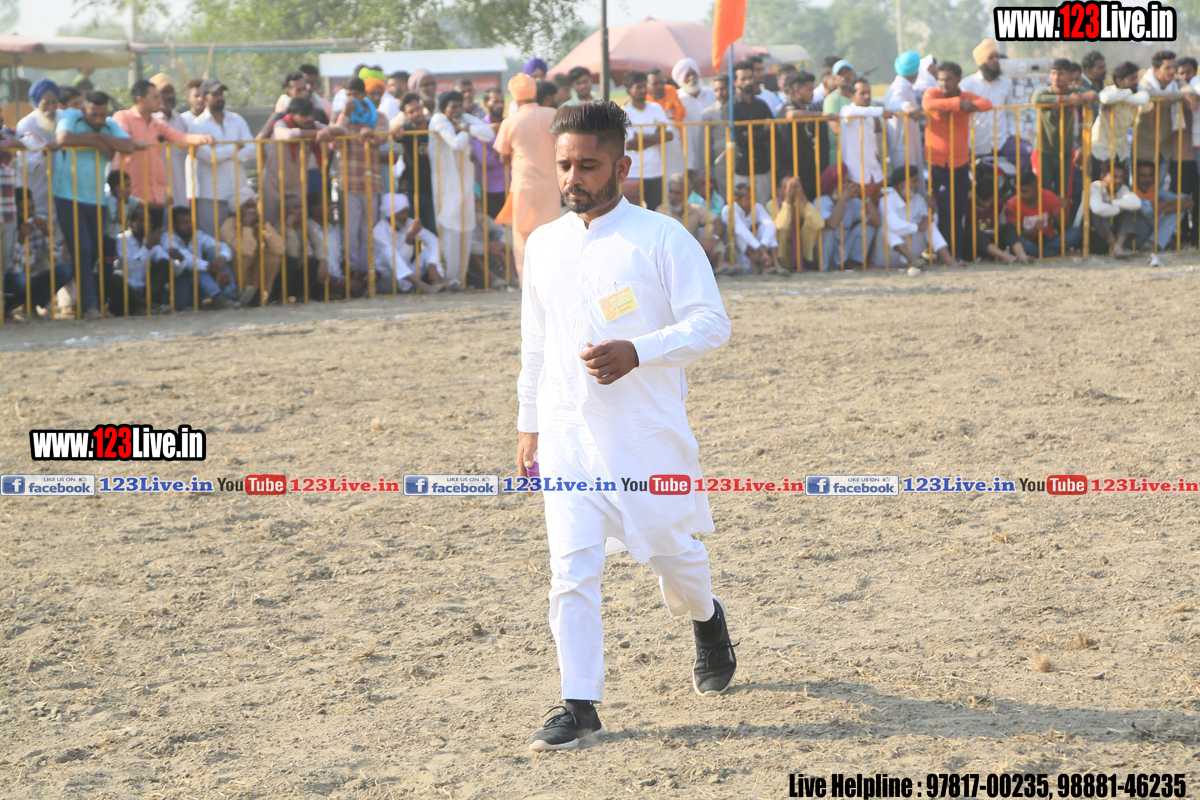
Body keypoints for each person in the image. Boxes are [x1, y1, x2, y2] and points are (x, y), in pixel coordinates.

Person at [518, 101, 735, 751]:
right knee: (570, 569)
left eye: (588, 164)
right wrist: (529, 423)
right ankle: (579, 704)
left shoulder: (662, 237)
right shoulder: (543, 244)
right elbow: (535, 343)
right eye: (564, 165)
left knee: (672, 553)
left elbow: (711, 324)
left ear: (622, 167)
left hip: (644, 434)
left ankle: (707, 618)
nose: (573, 178)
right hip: (566, 435)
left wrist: (640, 350)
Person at [53, 91, 140, 319]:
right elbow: (63, 138)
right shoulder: (71, 116)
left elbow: (128, 146)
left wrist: (99, 137)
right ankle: (90, 306)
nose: (99, 120)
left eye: (102, 115)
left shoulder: (109, 124)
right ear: (83, 109)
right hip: (68, 197)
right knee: (82, 250)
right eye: (94, 115)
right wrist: (97, 141)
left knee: (93, 253)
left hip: (97, 199)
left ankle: (87, 302)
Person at [923, 61, 992, 261]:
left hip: (960, 163)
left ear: (958, 79)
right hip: (938, 165)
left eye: (949, 79)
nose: (944, 84)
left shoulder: (966, 95)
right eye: (941, 79)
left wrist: (964, 104)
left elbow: (987, 104)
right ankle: (946, 256)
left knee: (959, 209)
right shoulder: (933, 93)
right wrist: (958, 105)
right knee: (944, 210)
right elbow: (928, 105)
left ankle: (957, 254)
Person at [495, 73, 559, 283]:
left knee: (523, 236)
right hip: (550, 185)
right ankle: (551, 281)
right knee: (551, 233)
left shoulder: (510, 122)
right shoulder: (553, 114)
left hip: (524, 184)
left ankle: (527, 284)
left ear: (514, 97)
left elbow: (503, 156)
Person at [429, 89, 495, 289]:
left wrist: (465, 127)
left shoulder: (464, 118)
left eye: (460, 106)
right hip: (445, 183)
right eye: (453, 107)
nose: (458, 110)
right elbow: (456, 143)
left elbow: (488, 134)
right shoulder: (438, 120)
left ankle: (460, 278)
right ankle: (451, 278)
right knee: (450, 228)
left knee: (466, 227)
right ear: (444, 108)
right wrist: (467, 131)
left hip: (464, 182)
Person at [113, 79, 215, 207]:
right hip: (130, 195)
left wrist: (201, 139)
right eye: (155, 97)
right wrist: (133, 144)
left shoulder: (158, 124)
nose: (160, 101)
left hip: (156, 195)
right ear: (141, 99)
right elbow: (121, 141)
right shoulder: (123, 117)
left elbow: (180, 138)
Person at [263, 96, 346, 239]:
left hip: (297, 186)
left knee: (299, 228)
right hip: (274, 185)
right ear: (292, 115)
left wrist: (326, 130)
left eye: (310, 115)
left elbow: (343, 130)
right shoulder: (281, 123)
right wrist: (317, 134)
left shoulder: (312, 125)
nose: (309, 118)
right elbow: (287, 135)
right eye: (304, 115)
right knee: (273, 229)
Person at [334, 77, 390, 279]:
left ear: (363, 95)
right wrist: (345, 115)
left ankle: (368, 272)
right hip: (348, 182)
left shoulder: (378, 116)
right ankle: (351, 272)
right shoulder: (340, 116)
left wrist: (371, 133)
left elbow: (382, 137)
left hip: (370, 182)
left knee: (368, 231)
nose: (351, 99)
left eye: (355, 95)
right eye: (348, 95)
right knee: (350, 231)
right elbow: (334, 143)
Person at [188, 79, 256, 241]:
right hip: (212, 196)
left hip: (239, 195)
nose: (220, 98)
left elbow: (252, 150)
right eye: (215, 94)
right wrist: (235, 148)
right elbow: (208, 157)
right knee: (213, 241)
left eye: (221, 94)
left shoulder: (237, 120)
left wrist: (225, 153)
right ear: (203, 98)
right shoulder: (197, 125)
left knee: (241, 241)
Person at [3, 190, 74, 320]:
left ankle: (31, 305)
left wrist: (47, 234)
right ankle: (5, 309)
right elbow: (12, 270)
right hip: (10, 283)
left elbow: (57, 260)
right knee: (21, 280)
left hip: (28, 281)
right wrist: (21, 240)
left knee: (66, 270)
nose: (31, 213)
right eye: (24, 210)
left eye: (32, 208)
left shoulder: (39, 225)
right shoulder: (7, 229)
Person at [871, 165, 960, 268]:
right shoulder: (886, 201)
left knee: (929, 224)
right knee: (886, 227)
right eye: (914, 181)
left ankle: (948, 260)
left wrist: (931, 210)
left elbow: (928, 221)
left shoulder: (919, 200)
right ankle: (912, 259)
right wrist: (918, 227)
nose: (918, 185)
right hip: (887, 258)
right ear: (901, 185)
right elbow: (895, 226)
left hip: (913, 254)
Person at [1031, 58, 1097, 196]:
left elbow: (1094, 94)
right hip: (1043, 152)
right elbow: (1036, 98)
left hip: (1065, 153)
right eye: (1053, 73)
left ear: (1069, 75)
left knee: (1063, 196)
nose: (1056, 77)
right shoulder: (1046, 92)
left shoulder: (1074, 90)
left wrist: (1080, 97)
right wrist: (1066, 100)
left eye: (1060, 73)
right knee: (1043, 195)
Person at [162, 205, 244, 310]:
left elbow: (224, 247)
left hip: (200, 288)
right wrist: (216, 269)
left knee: (216, 253)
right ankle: (217, 297)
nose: (189, 225)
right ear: (174, 224)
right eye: (184, 222)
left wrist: (221, 259)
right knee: (195, 266)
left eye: (191, 221)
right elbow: (188, 260)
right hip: (181, 291)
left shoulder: (197, 235)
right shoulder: (167, 239)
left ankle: (230, 292)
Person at [960, 40, 1022, 172]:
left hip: (1002, 141)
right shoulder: (967, 84)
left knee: (1029, 156)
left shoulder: (1006, 83)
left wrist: (1014, 134)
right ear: (982, 61)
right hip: (976, 144)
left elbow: (1010, 113)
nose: (995, 60)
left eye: (996, 56)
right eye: (990, 57)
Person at [619, 71, 671, 210]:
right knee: (630, 212)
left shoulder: (656, 108)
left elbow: (669, 135)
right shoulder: (624, 112)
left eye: (644, 86)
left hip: (655, 170)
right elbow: (629, 144)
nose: (642, 90)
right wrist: (657, 137)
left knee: (655, 211)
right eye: (638, 87)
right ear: (629, 91)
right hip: (633, 171)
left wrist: (641, 137)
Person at [374, 191, 444, 293]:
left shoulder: (408, 223)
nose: (405, 215)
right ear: (390, 215)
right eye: (401, 213)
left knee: (430, 250)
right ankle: (422, 286)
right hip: (388, 280)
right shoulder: (378, 231)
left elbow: (433, 240)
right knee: (389, 250)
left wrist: (432, 265)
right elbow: (398, 260)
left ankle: (437, 283)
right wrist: (409, 238)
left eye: (406, 211)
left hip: (409, 277)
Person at [220, 196, 286, 304]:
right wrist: (247, 226)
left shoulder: (259, 223)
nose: (252, 209)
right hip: (237, 272)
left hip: (256, 271)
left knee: (274, 256)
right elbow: (246, 250)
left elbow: (280, 249)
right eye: (247, 206)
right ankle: (242, 293)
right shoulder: (227, 226)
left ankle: (262, 294)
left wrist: (265, 225)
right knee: (242, 257)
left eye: (254, 206)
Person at [657, 172, 728, 273]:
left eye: (677, 193)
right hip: (672, 253)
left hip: (694, 250)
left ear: (687, 195)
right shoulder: (661, 211)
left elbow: (718, 222)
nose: (672, 197)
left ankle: (720, 263)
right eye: (671, 192)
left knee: (711, 227)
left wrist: (711, 241)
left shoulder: (695, 209)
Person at [108, 202, 170, 316]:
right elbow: (129, 266)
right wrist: (147, 247)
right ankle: (146, 305)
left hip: (145, 291)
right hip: (126, 294)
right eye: (143, 221)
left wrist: (179, 259)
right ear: (130, 223)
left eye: (150, 221)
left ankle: (145, 303)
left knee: (164, 264)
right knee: (116, 280)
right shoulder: (121, 240)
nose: (148, 224)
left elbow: (165, 262)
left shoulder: (148, 241)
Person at [1004, 170, 1082, 257]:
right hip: (1028, 242)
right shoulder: (1011, 204)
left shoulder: (1049, 196)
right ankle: (1050, 253)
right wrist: (1034, 230)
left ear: (1035, 187)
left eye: (1025, 191)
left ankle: (1040, 253)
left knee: (1076, 232)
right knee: (1017, 242)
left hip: (1049, 240)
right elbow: (1014, 235)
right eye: (1019, 191)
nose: (1021, 195)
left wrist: (1065, 210)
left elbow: (1066, 227)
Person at [1090, 62, 1148, 179]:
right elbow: (1106, 98)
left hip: (1120, 152)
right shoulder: (1110, 91)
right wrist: (1127, 92)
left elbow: (1144, 98)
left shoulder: (1134, 92)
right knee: (1099, 185)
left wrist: (1125, 95)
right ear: (1119, 81)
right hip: (1100, 151)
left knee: (1121, 186)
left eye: (1136, 78)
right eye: (1132, 79)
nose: (1136, 82)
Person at [730, 60, 774, 209]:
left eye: (750, 77)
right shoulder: (731, 107)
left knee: (762, 209)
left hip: (762, 167)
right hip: (742, 168)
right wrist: (762, 132)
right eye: (743, 78)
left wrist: (749, 134)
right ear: (735, 82)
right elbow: (739, 139)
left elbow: (773, 133)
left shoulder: (762, 105)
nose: (748, 82)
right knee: (741, 211)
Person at [819, 164, 880, 270]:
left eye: (849, 182)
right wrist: (843, 198)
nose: (848, 186)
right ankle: (824, 268)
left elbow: (876, 221)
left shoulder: (852, 202)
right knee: (827, 231)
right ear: (833, 186)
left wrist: (863, 196)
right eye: (844, 182)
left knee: (868, 227)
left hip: (843, 250)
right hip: (827, 252)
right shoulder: (821, 202)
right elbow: (832, 224)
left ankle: (854, 264)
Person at [392, 93, 437, 233]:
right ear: (406, 115)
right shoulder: (406, 130)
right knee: (411, 233)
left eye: (418, 108)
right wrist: (395, 129)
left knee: (432, 233)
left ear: (422, 106)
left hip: (432, 190)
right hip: (410, 190)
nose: (416, 113)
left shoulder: (434, 126)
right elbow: (396, 134)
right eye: (411, 112)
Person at [1076, 160, 1140, 257]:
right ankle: (1117, 248)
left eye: (1121, 177)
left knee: (1130, 210)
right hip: (1092, 237)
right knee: (1097, 214)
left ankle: (1118, 247)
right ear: (1103, 177)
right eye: (1114, 177)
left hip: (1114, 234)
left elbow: (1137, 203)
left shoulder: (1122, 188)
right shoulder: (1094, 187)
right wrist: (1119, 209)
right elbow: (1097, 209)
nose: (1118, 180)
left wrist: (1112, 202)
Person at [147, 74, 192, 210]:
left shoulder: (182, 121)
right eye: (165, 92)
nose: (170, 96)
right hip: (153, 187)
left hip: (179, 186)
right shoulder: (148, 121)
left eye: (172, 91)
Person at [305, 189, 360, 299]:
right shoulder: (308, 230)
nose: (332, 208)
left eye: (332, 204)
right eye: (327, 205)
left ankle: (346, 289)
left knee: (372, 276)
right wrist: (340, 281)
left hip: (339, 277)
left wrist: (349, 272)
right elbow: (310, 266)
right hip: (321, 280)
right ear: (314, 209)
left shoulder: (333, 230)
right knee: (329, 285)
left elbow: (338, 261)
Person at [839, 78, 891, 188]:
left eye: (869, 92)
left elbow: (871, 139)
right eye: (862, 93)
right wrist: (881, 111)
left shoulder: (869, 114)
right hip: (856, 175)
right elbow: (850, 113)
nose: (867, 96)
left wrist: (875, 153)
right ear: (852, 96)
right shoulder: (846, 110)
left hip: (875, 172)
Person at [766, 175, 823, 271]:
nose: (790, 190)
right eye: (786, 188)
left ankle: (804, 262)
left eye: (794, 187)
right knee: (781, 229)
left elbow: (819, 223)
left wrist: (803, 197)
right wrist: (787, 199)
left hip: (800, 252)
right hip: (781, 253)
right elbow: (781, 225)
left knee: (812, 224)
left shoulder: (799, 203)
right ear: (779, 191)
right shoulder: (772, 204)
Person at [1134, 159, 1192, 250]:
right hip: (1135, 238)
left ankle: (1153, 242)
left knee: (1179, 209)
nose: (1147, 180)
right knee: (1174, 207)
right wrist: (1167, 204)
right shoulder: (1130, 192)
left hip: (1151, 237)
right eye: (1142, 175)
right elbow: (1147, 210)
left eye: (1150, 175)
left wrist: (1164, 207)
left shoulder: (1155, 191)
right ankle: (1164, 242)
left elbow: (1189, 202)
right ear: (1135, 176)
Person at [672, 59, 715, 178]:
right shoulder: (676, 99)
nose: (692, 78)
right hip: (687, 157)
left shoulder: (712, 94)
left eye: (694, 73)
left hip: (712, 153)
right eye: (687, 75)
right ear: (680, 79)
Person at [724, 183, 779, 273]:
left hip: (757, 253)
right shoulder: (729, 210)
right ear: (737, 200)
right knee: (738, 234)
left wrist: (761, 249)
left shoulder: (757, 207)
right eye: (749, 198)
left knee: (767, 229)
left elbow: (771, 225)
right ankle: (761, 266)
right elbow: (741, 231)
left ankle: (776, 264)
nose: (753, 201)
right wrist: (762, 252)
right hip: (737, 256)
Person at [885, 51, 925, 176]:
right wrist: (907, 106)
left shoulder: (905, 85)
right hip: (903, 146)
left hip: (908, 144)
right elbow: (894, 102)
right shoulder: (900, 86)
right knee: (907, 180)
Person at [474, 88, 508, 218]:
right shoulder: (479, 128)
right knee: (494, 226)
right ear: (485, 103)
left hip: (512, 186)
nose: (500, 105)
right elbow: (485, 160)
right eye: (495, 102)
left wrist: (498, 154)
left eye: (502, 101)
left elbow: (518, 154)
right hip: (491, 189)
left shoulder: (509, 124)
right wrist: (506, 156)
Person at [646, 68, 686, 178]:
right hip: (652, 164)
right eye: (655, 84)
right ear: (646, 86)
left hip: (675, 161)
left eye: (661, 82)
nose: (659, 86)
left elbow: (685, 132)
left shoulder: (675, 101)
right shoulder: (643, 107)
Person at [822, 59, 857, 154]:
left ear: (854, 75)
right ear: (834, 78)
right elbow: (836, 129)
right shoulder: (831, 99)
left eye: (848, 72)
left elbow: (876, 125)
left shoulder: (862, 96)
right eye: (841, 73)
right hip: (839, 154)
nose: (845, 76)